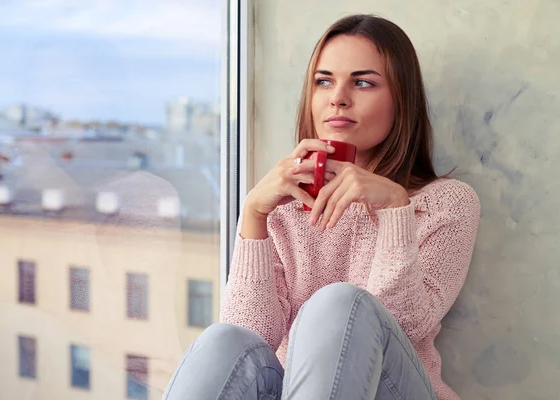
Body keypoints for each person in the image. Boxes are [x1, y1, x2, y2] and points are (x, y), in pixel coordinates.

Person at [163, 14, 480, 400]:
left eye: (362, 82)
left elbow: (402, 328)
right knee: (222, 339)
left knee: (338, 302)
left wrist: (396, 209)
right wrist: (254, 217)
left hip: (395, 389)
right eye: (324, 81)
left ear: (402, 100)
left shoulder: (444, 204)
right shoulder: (286, 206)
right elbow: (250, 340)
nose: (338, 98)